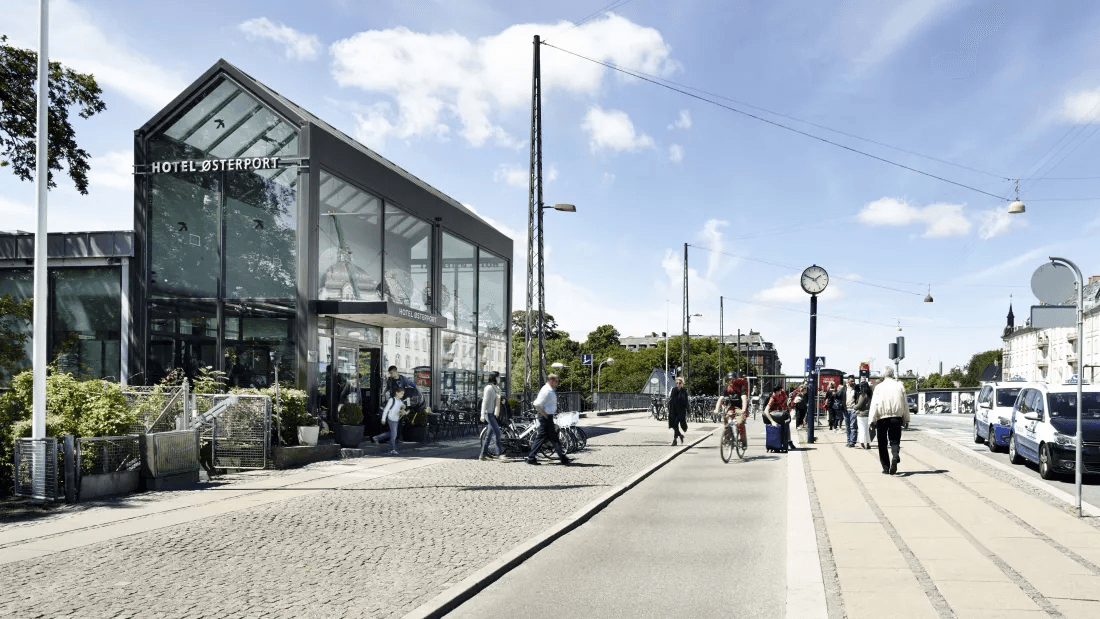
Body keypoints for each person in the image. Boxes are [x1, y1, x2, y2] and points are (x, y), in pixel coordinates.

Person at [870, 366, 910, 474]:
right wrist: (906, 418)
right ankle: (895, 456)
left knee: (882, 442)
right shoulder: (899, 386)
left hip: (881, 418)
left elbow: (874, 404)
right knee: (895, 440)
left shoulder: (878, 387)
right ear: (892, 374)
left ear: (883, 375)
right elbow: (905, 404)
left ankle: (886, 467)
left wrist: (871, 420)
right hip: (896, 417)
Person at [526, 374, 571, 465]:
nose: (557, 383)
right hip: (545, 417)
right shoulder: (546, 390)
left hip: (548, 417)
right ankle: (531, 457)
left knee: (553, 438)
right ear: (552, 381)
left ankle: (562, 458)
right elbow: (537, 404)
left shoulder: (550, 390)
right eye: (556, 381)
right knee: (544, 437)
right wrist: (543, 413)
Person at [373, 387, 406, 455]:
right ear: (397, 393)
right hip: (391, 419)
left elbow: (401, 409)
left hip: (396, 419)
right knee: (394, 434)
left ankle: (377, 437)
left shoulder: (400, 401)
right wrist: (383, 419)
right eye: (401, 393)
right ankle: (391, 449)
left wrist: (403, 410)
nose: (402, 395)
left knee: (392, 433)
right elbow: (386, 410)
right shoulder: (392, 400)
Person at [479, 372, 503, 460]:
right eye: (498, 377)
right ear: (495, 378)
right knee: (497, 432)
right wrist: (482, 415)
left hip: (493, 413)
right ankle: (498, 453)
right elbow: (484, 402)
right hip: (488, 414)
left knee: (489, 435)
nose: (499, 379)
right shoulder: (489, 388)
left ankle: (483, 454)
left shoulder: (496, 388)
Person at [764, 386, 796, 450]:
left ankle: (787, 441)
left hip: (783, 414)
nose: (779, 392)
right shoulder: (772, 398)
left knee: (786, 427)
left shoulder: (782, 393)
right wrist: (772, 421)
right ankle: (777, 444)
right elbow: (766, 410)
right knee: (778, 428)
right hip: (776, 416)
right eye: (778, 392)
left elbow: (787, 401)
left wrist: (789, 404)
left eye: (780, 391)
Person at [667, 377, 689, 446]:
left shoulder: (684, 391)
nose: (678, 384)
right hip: (673, 410)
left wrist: (688, 411)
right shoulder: (674, 390)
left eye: (680, 383)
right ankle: (680, 436)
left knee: (676, 424)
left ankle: (675, 440)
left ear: (682, 383)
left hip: (681, 411)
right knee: (674, 425)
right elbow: (671, 399)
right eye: (677, 383)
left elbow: (686, 401)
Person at [855, 379, 872, 449]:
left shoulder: (862, 395)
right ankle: (868, 444)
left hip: (861, 414)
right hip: (868, 414)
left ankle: (862, 444)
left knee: (861, 429)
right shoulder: (870, 394)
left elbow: (859, 405)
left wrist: (854, 406)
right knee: (867, 430)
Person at [842, 376, 858, 448]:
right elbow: (838, 395)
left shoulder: (856, 388)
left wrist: (856, 406)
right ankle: (848, 441)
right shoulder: (844, 388)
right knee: (847, 426)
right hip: (846, 409)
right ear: (848, 381)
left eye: (854, 381)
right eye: (851, 381)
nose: (853, 382)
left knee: (853, 426)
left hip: (853, 409)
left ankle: (852, 442)